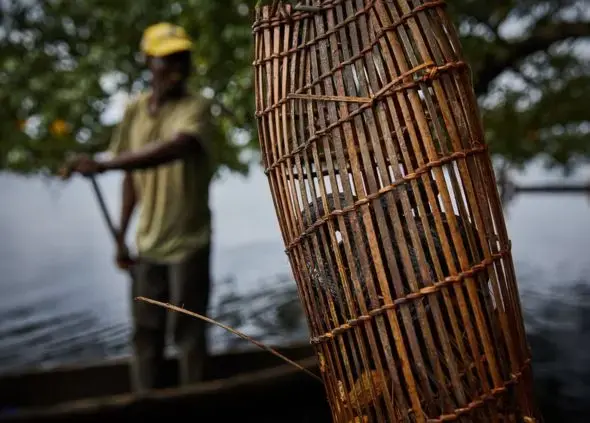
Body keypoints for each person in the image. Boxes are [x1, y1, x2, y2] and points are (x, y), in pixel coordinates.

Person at [62, 22, 214, 393]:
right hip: (148, 245)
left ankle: (198, 403)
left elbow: (177, 147)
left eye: (182, 57)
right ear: (148, 62)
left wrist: (104, 165)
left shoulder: (197, 108)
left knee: (189, 333)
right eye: (167, 59)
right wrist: (120, 237)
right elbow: (131, 175)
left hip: (188, 243)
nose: (177, 66)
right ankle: (145, 404)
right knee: (146, 334)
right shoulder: (133, 110)